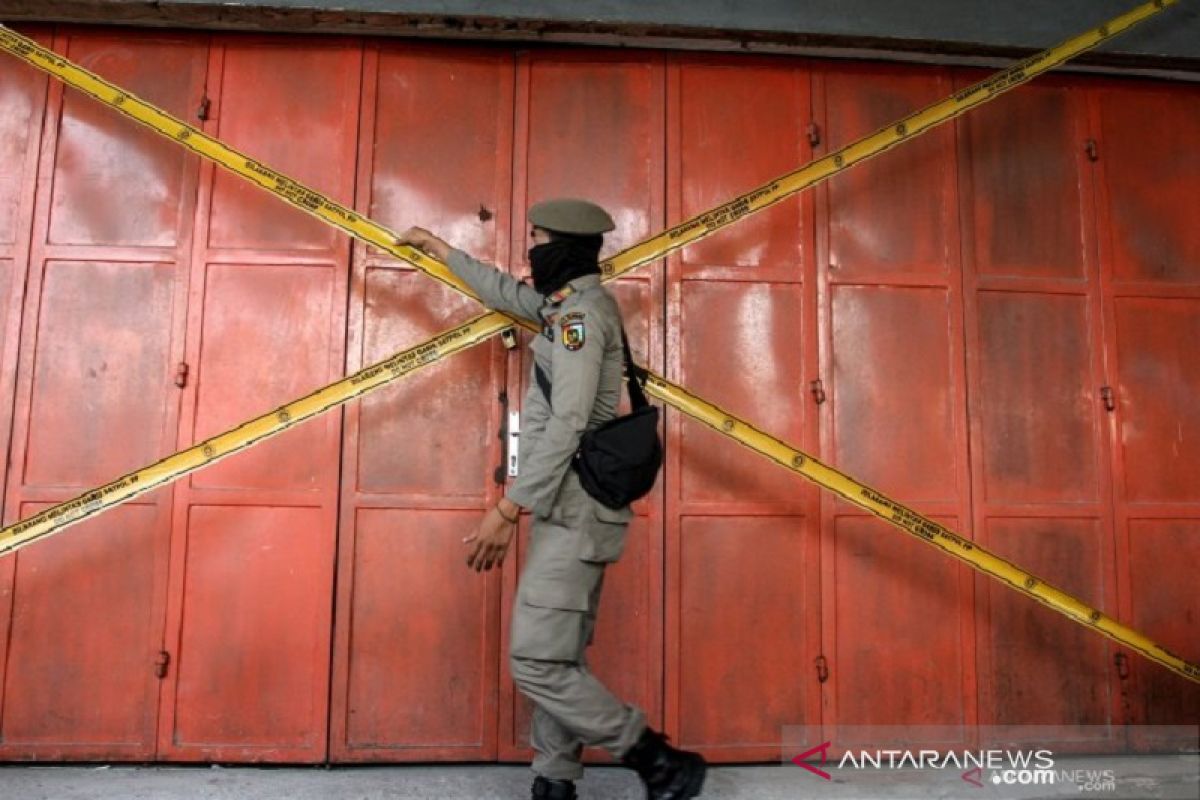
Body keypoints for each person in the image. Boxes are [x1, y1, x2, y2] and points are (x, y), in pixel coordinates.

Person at [398, 198, 706, 800]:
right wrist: (440, 250)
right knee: (559, 657)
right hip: (572, 511)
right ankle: (554, 781)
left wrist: (508, 509)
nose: (530, 250)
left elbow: (567, 423)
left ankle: (658, 760)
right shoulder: (569, 307)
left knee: (538, 662)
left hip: (574, 512)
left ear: (563, 244)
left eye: (537, 239)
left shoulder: (581, 319)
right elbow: (512, 296)